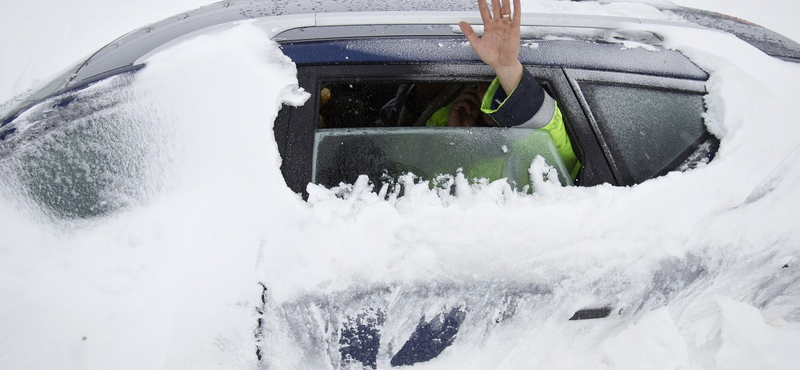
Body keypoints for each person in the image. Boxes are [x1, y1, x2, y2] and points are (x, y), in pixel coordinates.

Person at [429, 0, 580, 180]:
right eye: (480, 85)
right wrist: (455, 138)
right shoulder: (447, 118)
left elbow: (543, 136)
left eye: (498, 90)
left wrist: (507, 69)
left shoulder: (534, 158)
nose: (485, 94)